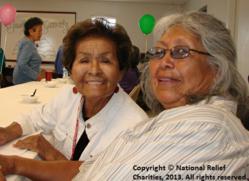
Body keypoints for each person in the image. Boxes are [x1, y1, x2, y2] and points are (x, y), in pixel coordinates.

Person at [0, 12, 249, 180]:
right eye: (159, 52)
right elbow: (88, 169)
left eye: (181, 52)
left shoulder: (205, 130)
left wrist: (44, 154)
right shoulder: (172, 122)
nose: (164, 62)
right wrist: (13, 164)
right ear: (70, 69)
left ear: (217, 69)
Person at [0, 18, 147, 162]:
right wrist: (9, 131)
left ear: (121, 71)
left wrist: (52, 155)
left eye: (105, 60)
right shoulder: (67, 97)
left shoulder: (135, 127)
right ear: (70, 69)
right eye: (84, 60)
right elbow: (36, 118)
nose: (94, 70)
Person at [12, 17, 44, 84]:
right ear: (31, 31)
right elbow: (22, 64)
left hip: (24, 81)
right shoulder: (28, 44)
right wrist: (36, 76)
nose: (41, 34)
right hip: (24, 82)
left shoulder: (28, 42)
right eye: (39, 31)